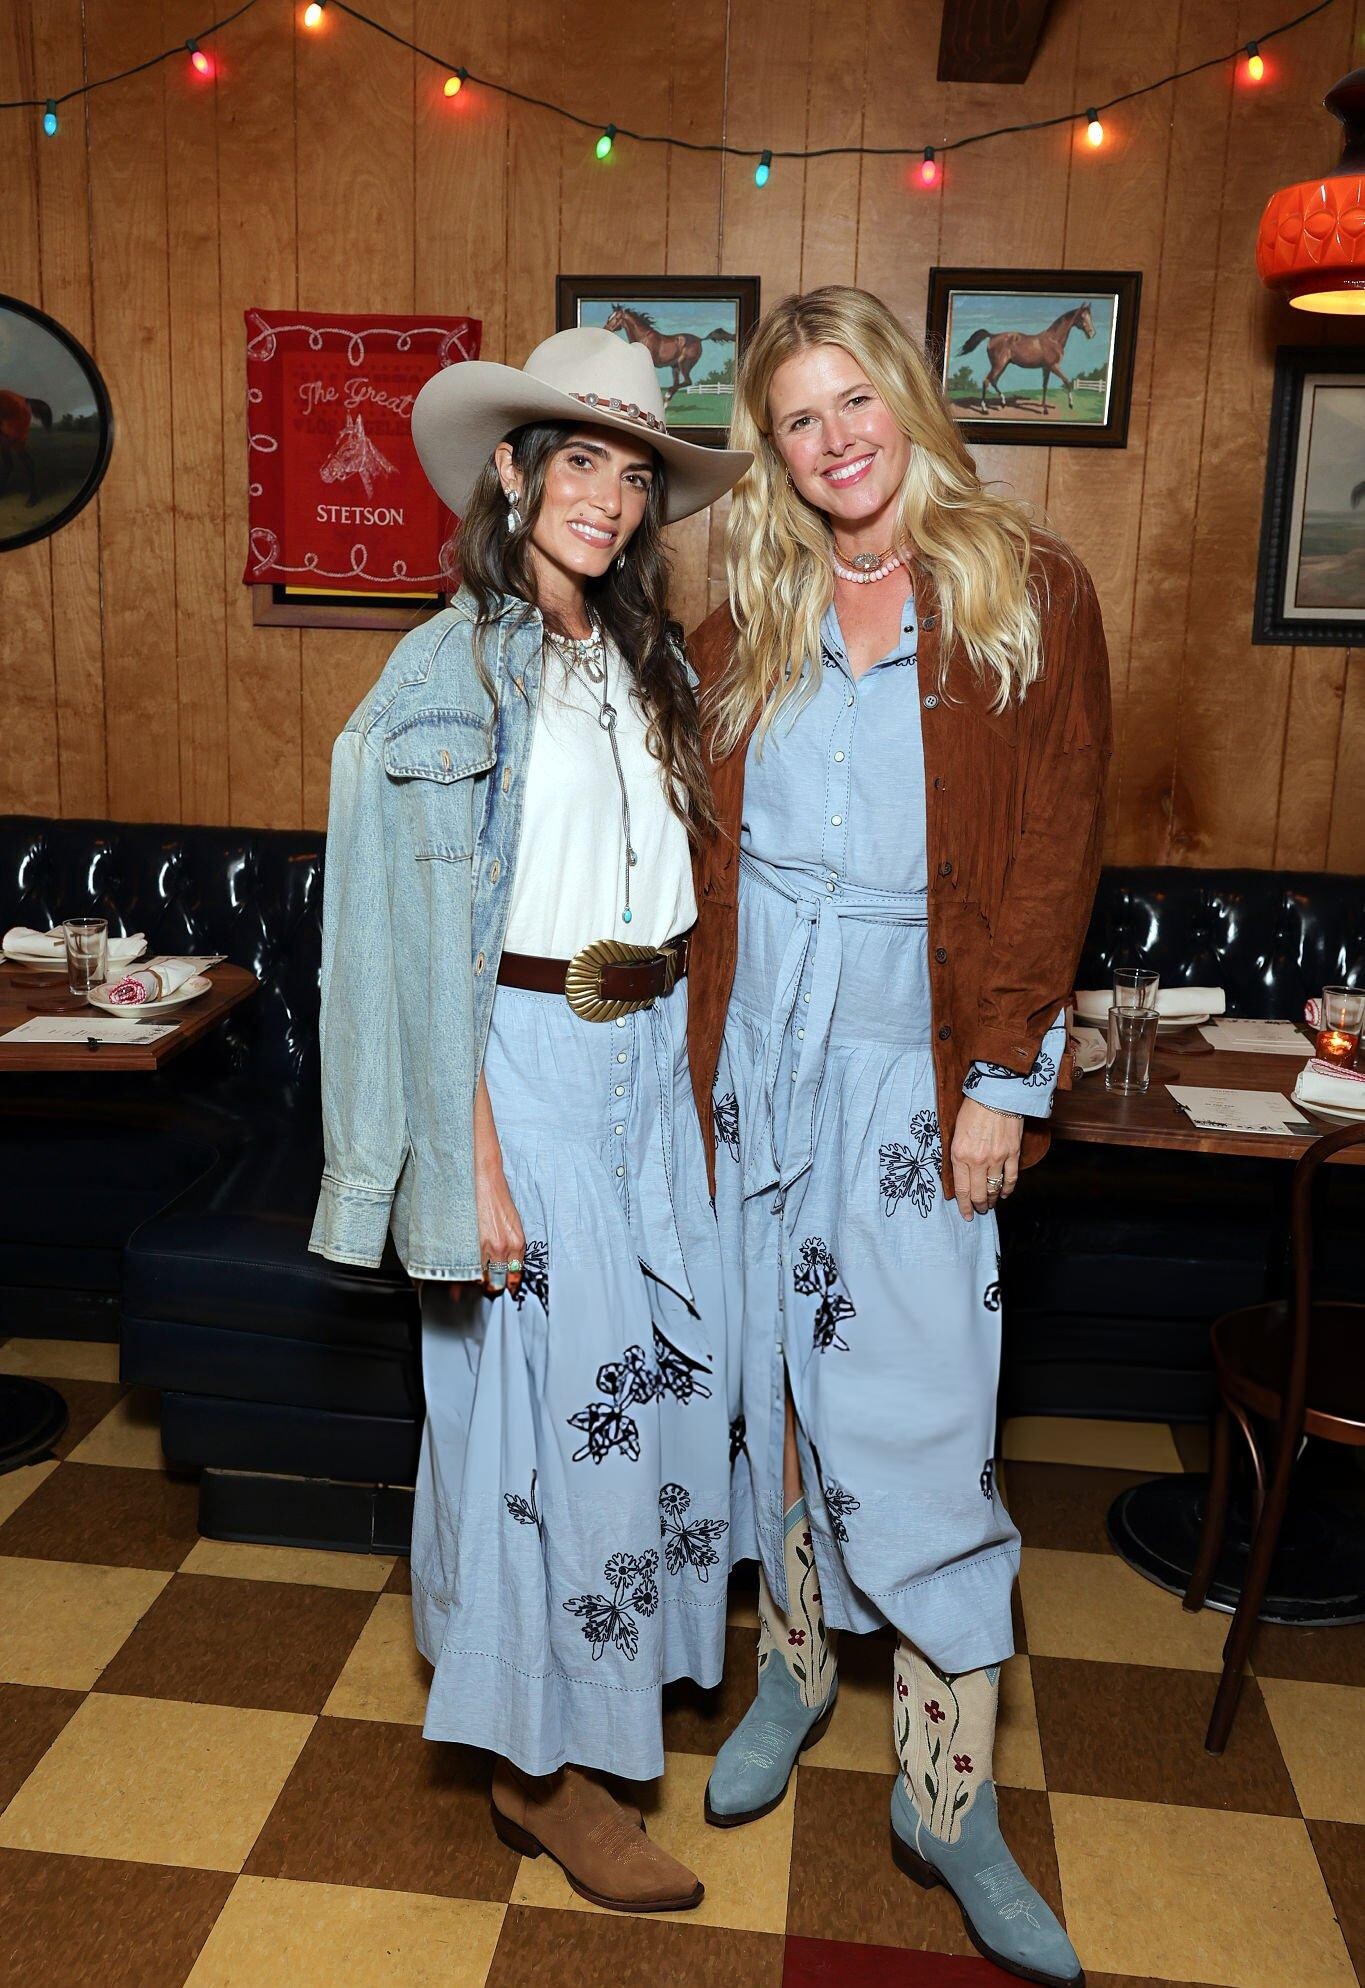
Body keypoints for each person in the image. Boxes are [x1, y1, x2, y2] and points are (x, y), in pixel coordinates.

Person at [687, 286, 1110, 1986]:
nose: (833, 438)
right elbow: (694, 856)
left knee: (925, 1426)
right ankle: (792, 1676)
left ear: (907, 401)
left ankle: (947, 1800)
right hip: (754, 1065)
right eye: (797, 417)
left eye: (852, 399)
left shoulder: (1025, 589)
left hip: (915, 1069)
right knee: (773, 1395)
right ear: (771, 448)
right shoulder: (748, 609)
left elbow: (1055, 846)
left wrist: (1004, 1080)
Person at [309, 328, 750, 1913]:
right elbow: (400, 946)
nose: (609, 499)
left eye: (633, 474)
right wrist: (470, 1160)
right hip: (518, 1068)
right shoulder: (445, 672)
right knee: (528, 1433)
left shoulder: (646, 661)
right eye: (579, 461)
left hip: (642, 1071)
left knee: (639, 1409)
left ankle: (598, 1710)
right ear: (509, 470)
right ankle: (540, 1773)